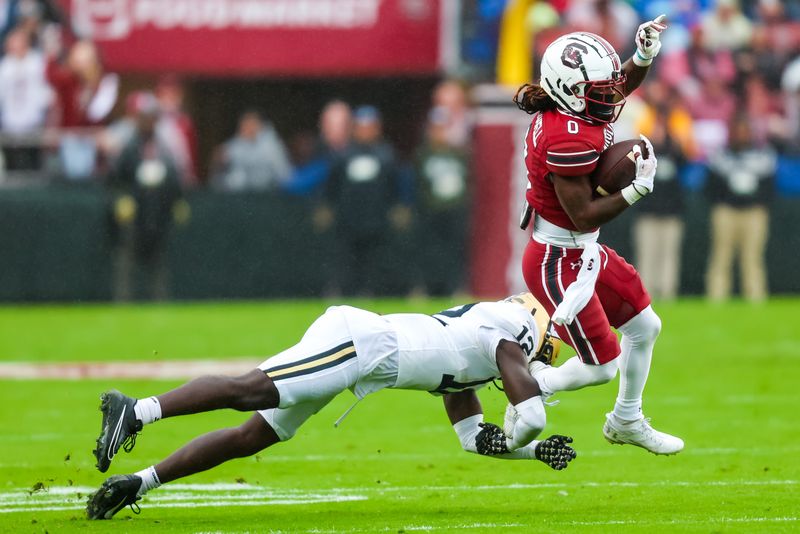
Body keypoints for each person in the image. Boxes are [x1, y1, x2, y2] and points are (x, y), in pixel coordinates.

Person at [86, 293, 576, 520]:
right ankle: (137, 410)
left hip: (361, 358)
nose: (539, 363)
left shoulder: (480, 357)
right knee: (251, 389)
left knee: (254, 434)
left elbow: (474, 438)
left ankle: (137, 483)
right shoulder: (508, 330)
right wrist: (533, 418)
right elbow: (525, 397)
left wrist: (532, 452)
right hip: (360, 344)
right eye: (545, 353)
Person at [514, 19, 684, 454]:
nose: (611, 95)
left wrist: (643, 55)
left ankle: (626, 419)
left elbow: (621, 81)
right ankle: (533, 384)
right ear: (568, 90)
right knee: (602, 365)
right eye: (600, 90)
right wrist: (635, 189)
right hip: (557, 259)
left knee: (646, 326)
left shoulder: (578, 104)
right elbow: (583, 212)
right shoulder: (564, 137)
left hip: (581, 252)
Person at [108, 92, 186, 301]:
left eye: (152, 117)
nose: (148, 122)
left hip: (157, 213)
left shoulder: (163, 147)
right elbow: (115, 179)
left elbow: (174, 178)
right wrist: (121, 199)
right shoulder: (129, 148)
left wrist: (177, 201)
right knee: (126, 259)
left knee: (158, 262)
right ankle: (123, 302)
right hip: (135, 213)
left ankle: (159, 303)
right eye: (144, 117)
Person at [704, 113, 775, 302]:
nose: (742, 135)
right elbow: (710, 186)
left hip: (754, 213)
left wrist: (756, 201)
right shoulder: (720, 155)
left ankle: (755, 299)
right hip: (726, 211)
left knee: (752, 258)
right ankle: (716, 299)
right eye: (739, 131)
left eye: (745, 131)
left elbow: (770, 187)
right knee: (721, 256)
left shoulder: (763, 155)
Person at [210, 109, 292, 192]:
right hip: (241, 195)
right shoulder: (236, 144)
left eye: (250, 124)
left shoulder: (272, 146)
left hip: (268, 193)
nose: (245, 128)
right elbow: (221, 160)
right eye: (243, 125)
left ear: (259, 125)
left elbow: (285, 175)